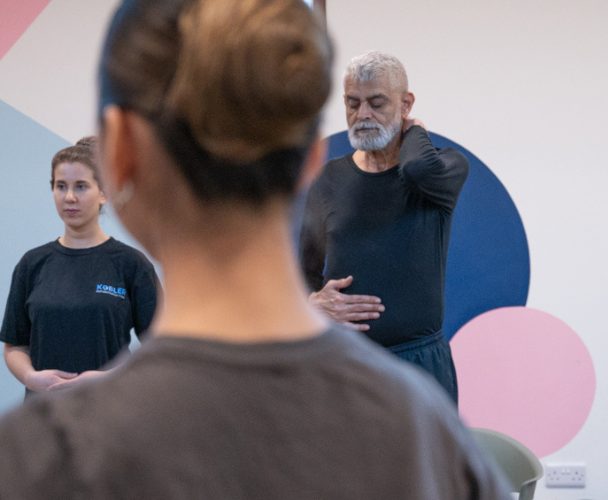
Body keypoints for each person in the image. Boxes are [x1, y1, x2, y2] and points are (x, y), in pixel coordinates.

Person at [0, 1, 508, 498]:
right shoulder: (430, 442)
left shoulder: (37, 459)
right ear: (311, 159)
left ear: (119, 160)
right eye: (355, 104)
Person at [299, 51, 468, 404]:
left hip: (421, 366)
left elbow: (418, 168)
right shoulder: (328, 179)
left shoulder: (444, 168)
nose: (362, 115)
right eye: (353, 103)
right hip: (347, 364)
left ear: (405, 104)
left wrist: (416, 130)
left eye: (377, 103)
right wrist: (314, 303)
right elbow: (303, 273)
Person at [0, 136, 159, 397]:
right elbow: (15, 346)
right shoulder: (32, 264)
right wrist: (31, 377)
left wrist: (110, 377)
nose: (70, 197)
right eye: (61, 186)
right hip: (45, 417)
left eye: (81, 186)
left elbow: (160, 351)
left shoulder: (132, 265)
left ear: (104, 193)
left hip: (110, 413)